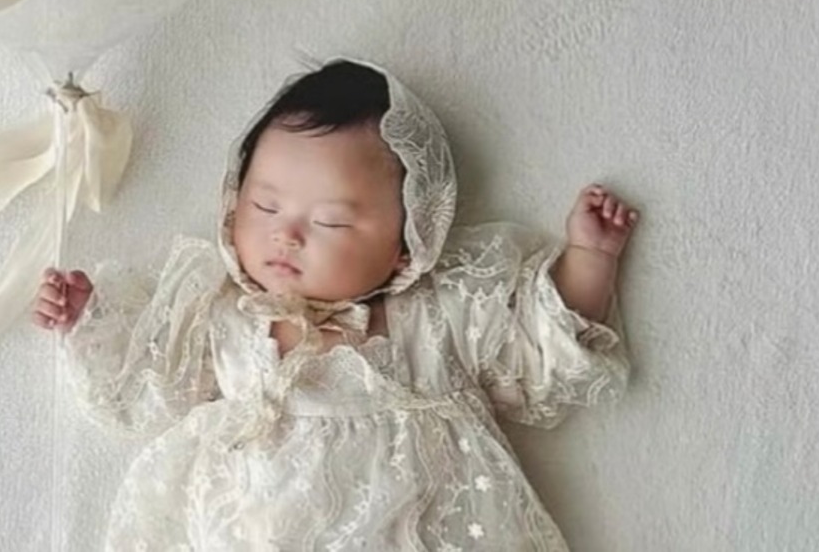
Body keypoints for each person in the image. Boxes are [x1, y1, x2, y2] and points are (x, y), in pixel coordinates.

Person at [35, 57, 639, 551]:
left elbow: (538, 353)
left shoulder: (436, 315)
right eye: (265, 206)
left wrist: (589, 261)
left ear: (408, 247)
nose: (286, 234)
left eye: (330, 222)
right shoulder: (221, 312)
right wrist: (90, 318)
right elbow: (150, 381)